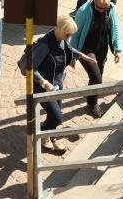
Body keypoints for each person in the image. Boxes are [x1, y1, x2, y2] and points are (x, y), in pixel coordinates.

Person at [31, 14, 97, 154]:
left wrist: (82, 56)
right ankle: (42, 134)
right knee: (57, 117)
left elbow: (68, 48)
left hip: (57, 84)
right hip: (44, 88)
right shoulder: (45, 44)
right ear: (59, 29)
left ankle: (50, 136)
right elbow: (31, 68)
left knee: (54, 116)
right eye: (68, 34)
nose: (69, 37)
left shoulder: (62, 38)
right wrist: (43, 82)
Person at [71, 0, 123, 118]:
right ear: (94, 1)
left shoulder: (111, 8)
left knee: (97, 77)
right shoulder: (83, 12)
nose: (102, 11)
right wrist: (73, 55)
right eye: (99, 8)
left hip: (102, 48)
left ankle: (91, 95)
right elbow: (75, 35)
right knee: (97, 78)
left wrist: (118, 49)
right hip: (86, 49)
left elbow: (115, 27)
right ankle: (92, 103)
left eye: (105, 8)